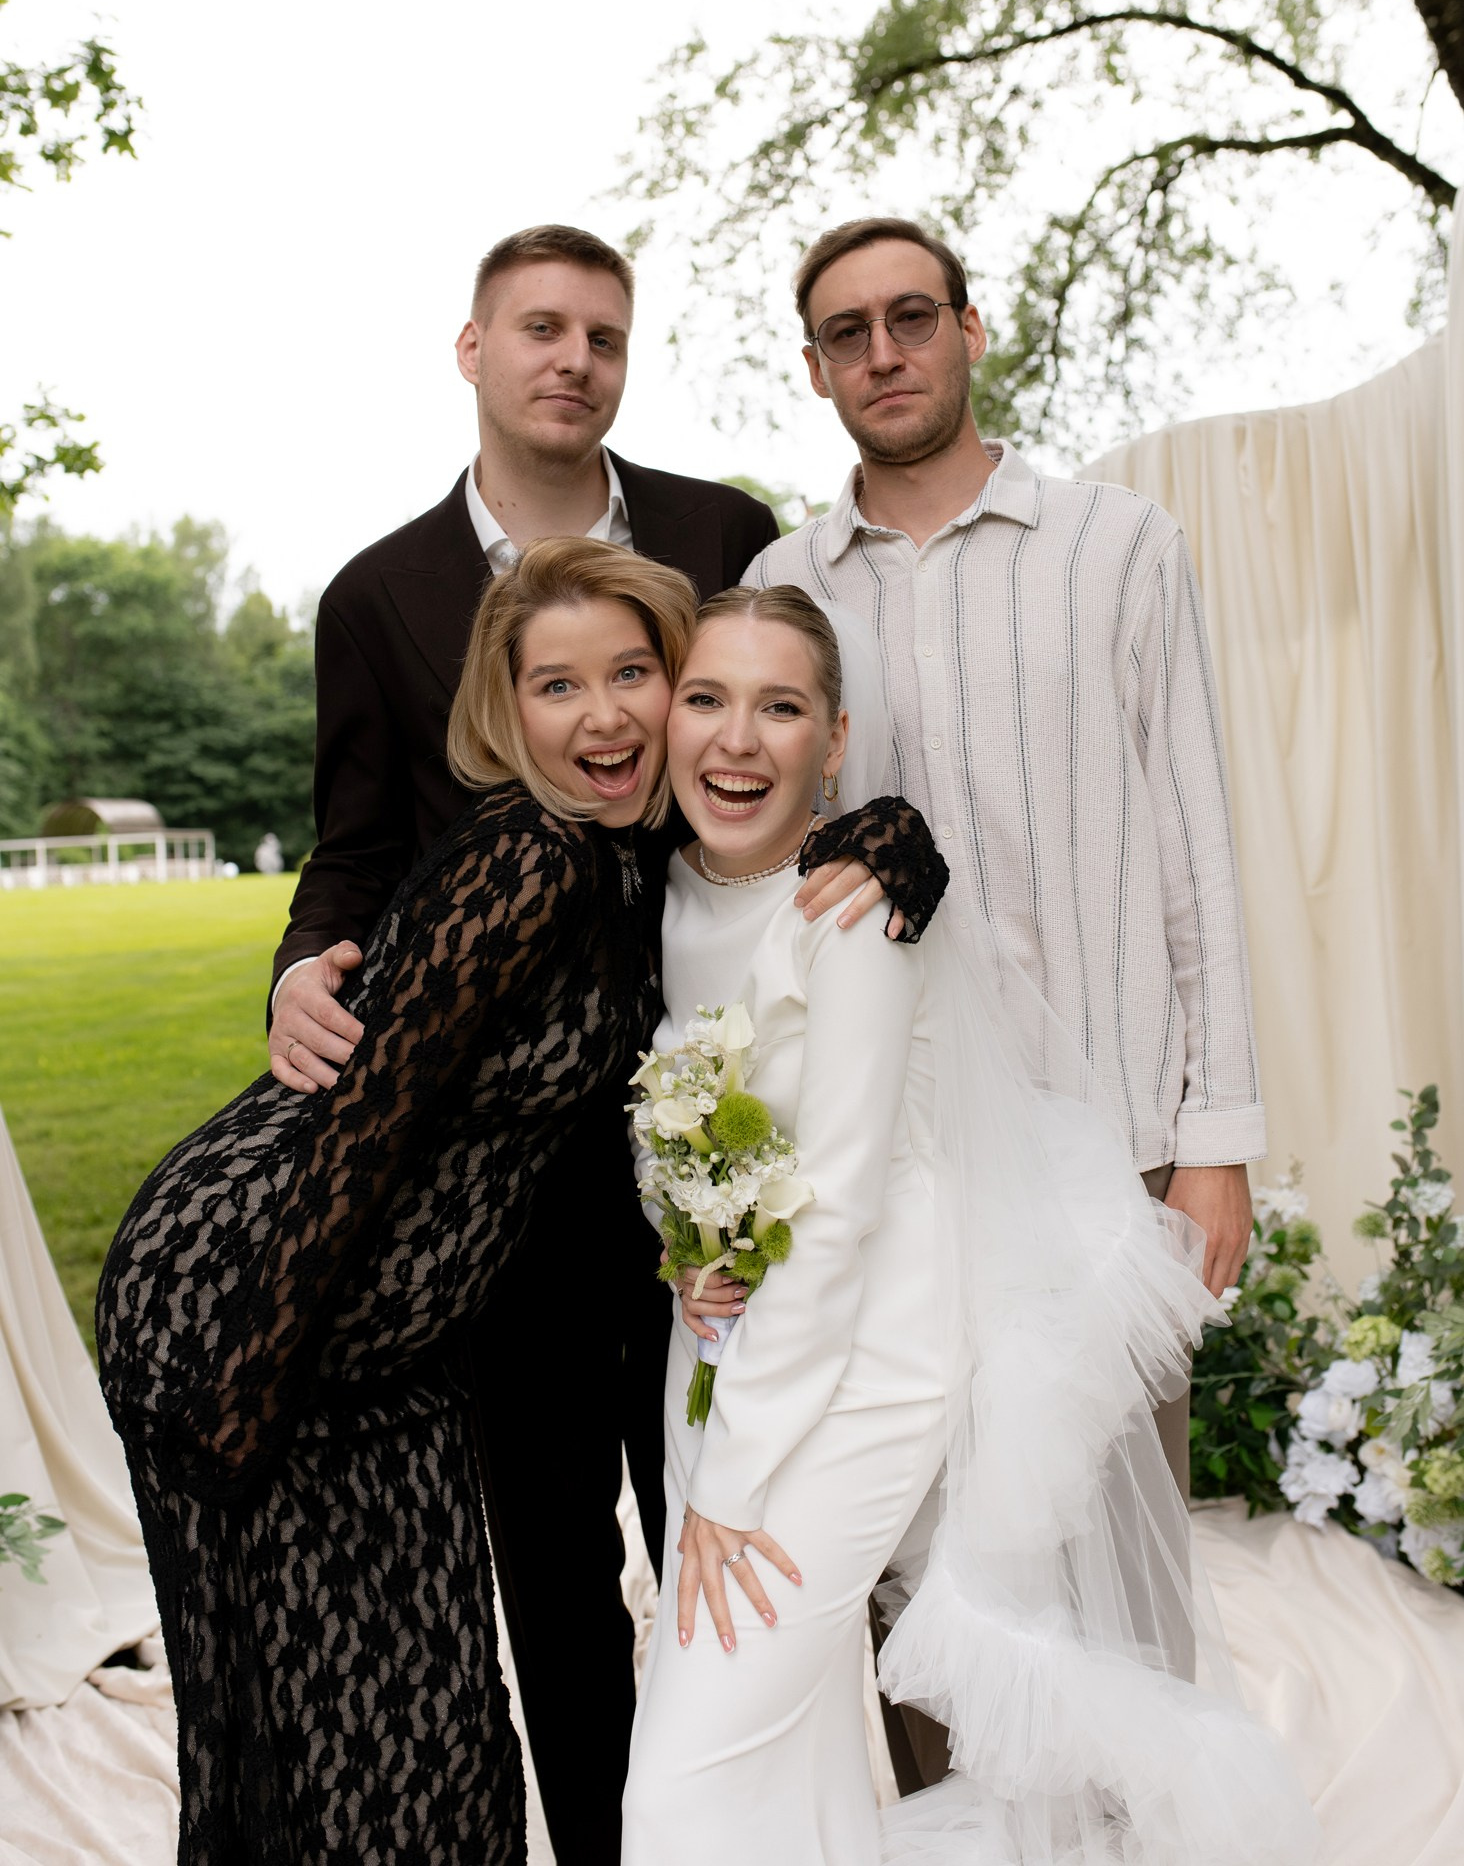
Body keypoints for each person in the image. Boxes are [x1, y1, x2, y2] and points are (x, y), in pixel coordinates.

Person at [96, 542, 934, 1866]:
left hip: (391, 1338)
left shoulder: (640, 854)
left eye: (633, 675)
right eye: (557, 685)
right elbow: (366, 1127)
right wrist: (248, 1390)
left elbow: (757, 867)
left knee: (422, 1724)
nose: (603, 716)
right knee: (308, 1716)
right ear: (508, 707)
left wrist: (890, 835)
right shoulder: (530, 855)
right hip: (255, 1295)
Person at [622, 586, 1318, 1866]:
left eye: (782, 707)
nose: (737, 738)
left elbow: (837, 1214)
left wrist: (731, 1479)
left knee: (678, 1785)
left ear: (835, 740)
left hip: (865, 1370)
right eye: (708, 697)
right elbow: (686, 1109)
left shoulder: (853, 916)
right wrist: (687, 1249)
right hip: (722, 1362)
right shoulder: (669, 893)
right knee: (789, 1761)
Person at [261, 225, 786, 1861]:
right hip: (502, 1179)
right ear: (473, 351)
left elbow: (780, 749)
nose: (574, 359)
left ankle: (746, 1829)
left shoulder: (722, 534)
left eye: (603, 335)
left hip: (715, 1124)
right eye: (541, 328)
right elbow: (356, 843)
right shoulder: (379, 595)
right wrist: (298, 966)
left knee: (734, 1531)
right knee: (554, 1570)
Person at [745, 215, 1267, 1784]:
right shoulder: (781, 585)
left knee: (1117, 1568)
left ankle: (1146, 1835)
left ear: (971, 329)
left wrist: (1216, 1138)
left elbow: (1199, 842)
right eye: (848, 332)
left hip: (1109, 1139)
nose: (885, 352)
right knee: (923, 1585)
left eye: (913, 316)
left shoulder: (1121, 545)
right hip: (895, 1162)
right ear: (816, 367)